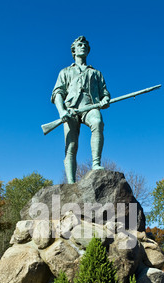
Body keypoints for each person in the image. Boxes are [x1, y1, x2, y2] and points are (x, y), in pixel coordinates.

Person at [51, 36, 111, 183]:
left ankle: (96, 164)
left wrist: (105, 100)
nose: (82, 46)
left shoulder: (96, 73)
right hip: (71, 110)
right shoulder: (65, 72)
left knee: (97, 122)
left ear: (88, 50)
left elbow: (105, 93)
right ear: (74, 50)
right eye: (79, 45)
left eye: (85, 45)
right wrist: (62, 111)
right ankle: (71, 182)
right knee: (71, 145)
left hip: (90, 106)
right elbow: (57, 94)